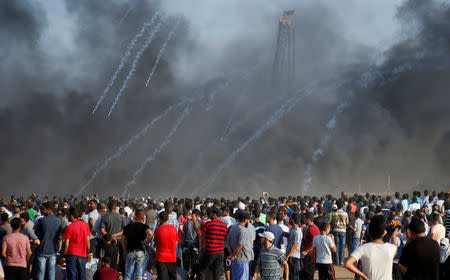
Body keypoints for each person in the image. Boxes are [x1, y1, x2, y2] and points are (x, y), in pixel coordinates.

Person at [345, 215, 397, 280]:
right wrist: (394, 236)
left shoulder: (363, 248)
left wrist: (363, 276)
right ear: (384, 232)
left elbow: (348, 264)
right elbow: (395, 247)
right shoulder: (391, 248)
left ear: (369, 232)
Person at [121, 209, 153, 280]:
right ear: (143, 217)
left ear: (135, 216)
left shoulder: (128, 226)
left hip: (130, 252)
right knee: (139, 275)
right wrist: (147, 243)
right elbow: (150, 234)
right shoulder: (144, 226)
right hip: (140, 252)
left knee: (128, 275)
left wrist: (125, 250)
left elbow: (122, 240)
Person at [34, 202, 62, 280]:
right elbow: (60, 235)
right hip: (53, 250)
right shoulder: (59, 221)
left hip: (42, 249)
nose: (42, 211)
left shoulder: (41, 220)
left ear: (48, 209)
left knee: (41, 272)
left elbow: (36, 234)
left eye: (43, 209)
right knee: (51, 271)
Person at [199, 208, 228, 280]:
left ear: (215, 214)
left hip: (210, 251)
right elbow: (225, 239)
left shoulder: (208, 224)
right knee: (217, 272)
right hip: (220, 252)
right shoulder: (224, 226)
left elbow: (202, 236)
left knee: (202, 270)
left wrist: (201, 249)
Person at [63, 207, 91, 280]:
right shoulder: (85, 225)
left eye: (69, 215)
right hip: (82, 253)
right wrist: (88, 252)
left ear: (72, 216)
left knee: (72, 275)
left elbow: (66, 244)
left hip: (71, 253)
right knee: (82, 274)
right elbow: (88, 241)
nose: (68, 216)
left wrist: (63, 253)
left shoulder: (69, 227)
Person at [227, 211, 253, 280]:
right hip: (242, 259)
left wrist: (231, 254)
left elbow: (228, 243)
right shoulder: (243, 230)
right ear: (245, 220)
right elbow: (240, 245)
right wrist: (234, 255)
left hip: (234, 259)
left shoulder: (232, 228)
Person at [154, 211, 178, 280]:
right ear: (168, 219)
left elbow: (156, 244)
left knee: (162, 277)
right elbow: (176, 242)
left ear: (160, 219)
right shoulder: (173, 229)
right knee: (173, 277)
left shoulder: (157, 230)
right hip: (172, 257)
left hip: (161, 257)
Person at [182, 209, 201, 280]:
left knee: (186, 264)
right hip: (195, 246)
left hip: (186, 245)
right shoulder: (199, 223)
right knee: (194, 263)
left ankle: (186, 276)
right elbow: (200, 235)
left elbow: (184, 235)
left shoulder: (186, 224)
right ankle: (192, 276)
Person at [301, 212, 320, 280]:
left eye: (305, 218)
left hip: (310, 254)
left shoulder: (311, 229)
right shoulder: (314, 227)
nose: (304, 220)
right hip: (312, 253)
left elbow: (315, 242)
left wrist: (306, 251)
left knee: (308, 274)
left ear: (308, 219)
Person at [285, 213, 302, 280]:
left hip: (294, 257)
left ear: (293, 220)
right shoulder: (292, 229)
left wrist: (287, 256)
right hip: (290, 256)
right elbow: (289, 236)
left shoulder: (298, 231)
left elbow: (295, 245)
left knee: (294, 276)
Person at [331, 200, 348, 265]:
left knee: (337, 246)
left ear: (337, 206)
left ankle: (337, 261)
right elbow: (347, 222)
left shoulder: (334, 214)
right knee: (342, 246)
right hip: (343, 231)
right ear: (342, 206)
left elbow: (332, 222)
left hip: (336, 230)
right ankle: (341, 261)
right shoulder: (345, 213)